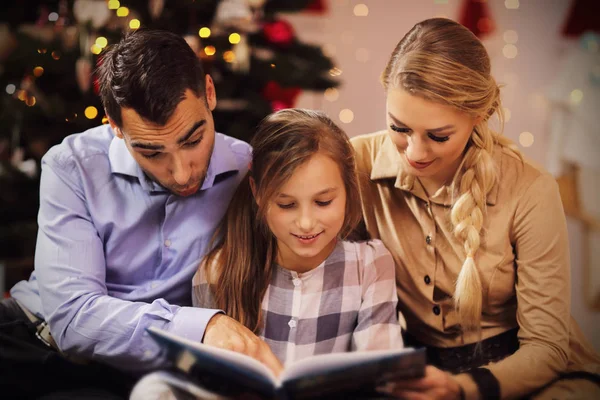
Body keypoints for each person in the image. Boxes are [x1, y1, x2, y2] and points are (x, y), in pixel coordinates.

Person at [0, 29, 280, 399]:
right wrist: (203, 326)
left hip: (149, 376)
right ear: (114, 125)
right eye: (152, 152)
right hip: (33, 342)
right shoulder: (72, 166)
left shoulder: (251, 171)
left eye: (193, 140)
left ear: (209, 93)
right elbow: (73, 320)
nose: (182, 173)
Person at [350, 18, 600, 400]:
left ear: (479, 115)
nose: (415, 152)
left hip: (533, 376)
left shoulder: (531, 188)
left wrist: (463, 388)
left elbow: (548, 348)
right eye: (398, 128)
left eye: (438, 136)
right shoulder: (356, 163)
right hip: (424, 375)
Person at [129, 108, 404, 400]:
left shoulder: (370, 264)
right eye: (286, 205)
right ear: (258, 194)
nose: (307, 222)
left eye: (323, 202)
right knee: (153, 390)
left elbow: (382, 373)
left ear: (348, 190)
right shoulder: (219, 271)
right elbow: (207, 379)